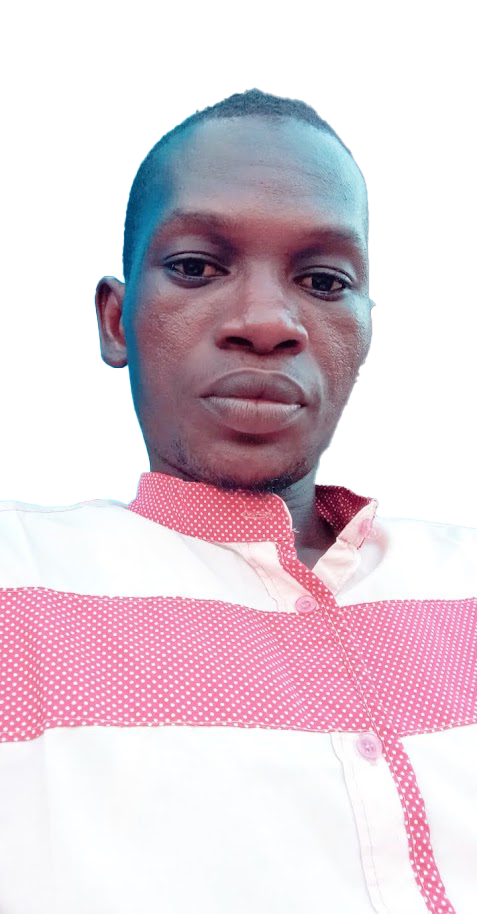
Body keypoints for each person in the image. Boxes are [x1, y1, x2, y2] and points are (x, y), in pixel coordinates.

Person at [0, 90, 475, 914]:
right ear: (116, 321)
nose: (264, 322)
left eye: (322, 280)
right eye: (196, 267)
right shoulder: (19, 581)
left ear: (366, 337)